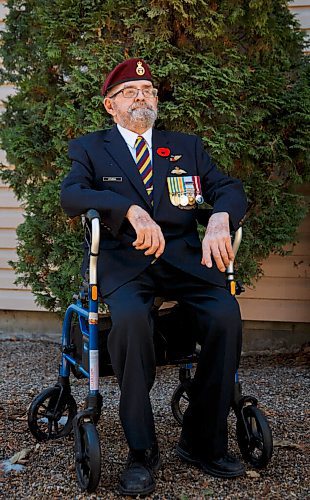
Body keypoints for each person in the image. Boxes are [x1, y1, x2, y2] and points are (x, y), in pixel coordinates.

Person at [61, 58, 247, 496]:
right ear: (110, 105)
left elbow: (229, 187)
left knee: (227, 318)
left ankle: (201, 442)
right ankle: (141, 451)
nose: (141, 96)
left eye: (148, 90)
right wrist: (127, 208)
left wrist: (220, 218)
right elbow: (72, 195)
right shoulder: (91, 148)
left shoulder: (186, 146)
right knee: (128, 325)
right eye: (130, 91)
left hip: (184, 261)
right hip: (127, 263)